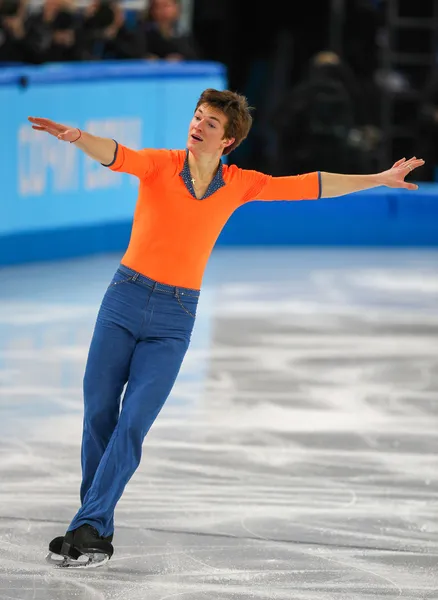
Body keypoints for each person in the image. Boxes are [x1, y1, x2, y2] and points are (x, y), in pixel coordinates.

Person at [28, 88, 424, 566]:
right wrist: (78, 139)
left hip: (174, 318)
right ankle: (94, 527)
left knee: (132, 423)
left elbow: (311, 184)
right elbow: (118, 154)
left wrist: (379, 177)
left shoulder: (239, 183)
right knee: (98, 417)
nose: (198, 125)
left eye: (210, 123)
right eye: (197, 117)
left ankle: (88, 526)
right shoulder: (160, 165)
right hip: (122, 302)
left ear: (229, 140)